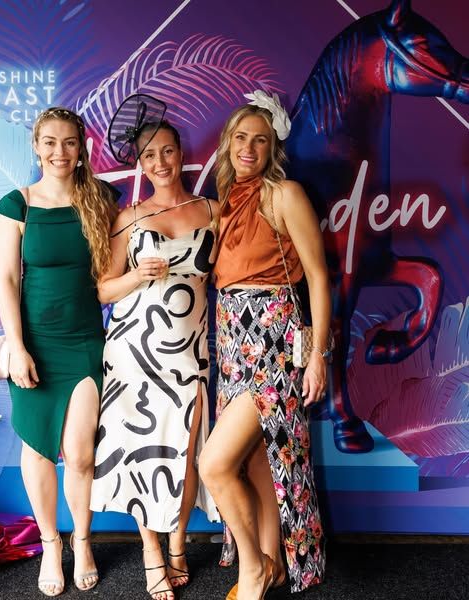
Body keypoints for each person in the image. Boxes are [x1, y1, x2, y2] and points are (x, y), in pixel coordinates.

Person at [199, 91, 328, 599]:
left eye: (260, 140)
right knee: (258, 461)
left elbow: (318, 277)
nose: (248, 148)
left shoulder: (284, 194)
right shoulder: (224, 202)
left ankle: (252, 569)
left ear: (273, 148)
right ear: (227, 142)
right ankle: (271, 565)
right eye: (240, 137)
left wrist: (318, 357)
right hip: (233, 340)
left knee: (215, 464)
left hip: (272, 340)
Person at [91, 119, 220, 600]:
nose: (160, 162)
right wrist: (137, 275)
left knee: (185, 453)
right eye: (149, 155)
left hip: (189, 351)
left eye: (167, 151)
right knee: (139, 453)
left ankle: (179, 544)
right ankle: (151, 550)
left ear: (181, 154)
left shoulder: (213, 210)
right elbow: (104, 288)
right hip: (133, 352)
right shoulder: (128, 217)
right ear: (140, 164)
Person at [0, 107, 117, 597]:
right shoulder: (17, 204)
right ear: (36, 146)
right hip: (34, 344)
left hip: (85, 339)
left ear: (81, 148)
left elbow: (113, 270)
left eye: (69, 142)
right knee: (38, 447)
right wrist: (17, 347)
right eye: (50, 142)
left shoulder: (102, 199)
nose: (59, 152)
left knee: (81, 452)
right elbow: (6, 280)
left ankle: (82, 541)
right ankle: (51, 543)